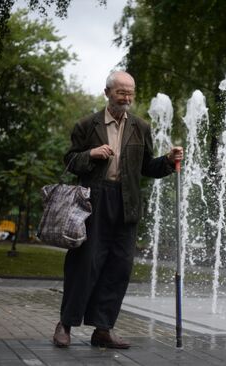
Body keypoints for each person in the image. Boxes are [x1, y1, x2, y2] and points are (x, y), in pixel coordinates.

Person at [52, 70, 183, 349]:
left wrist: (169, 161)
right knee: (84, 264)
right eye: (121, 92)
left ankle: (103, 329)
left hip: (127, 204)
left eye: (130, 92)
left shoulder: (140, 127)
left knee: (119, 267)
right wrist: (91, 154)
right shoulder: (87, 125)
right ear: (107, 92)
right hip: (92, 203)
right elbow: (70, 161)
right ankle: (66, 323)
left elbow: (147, 167)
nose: (126, 97)